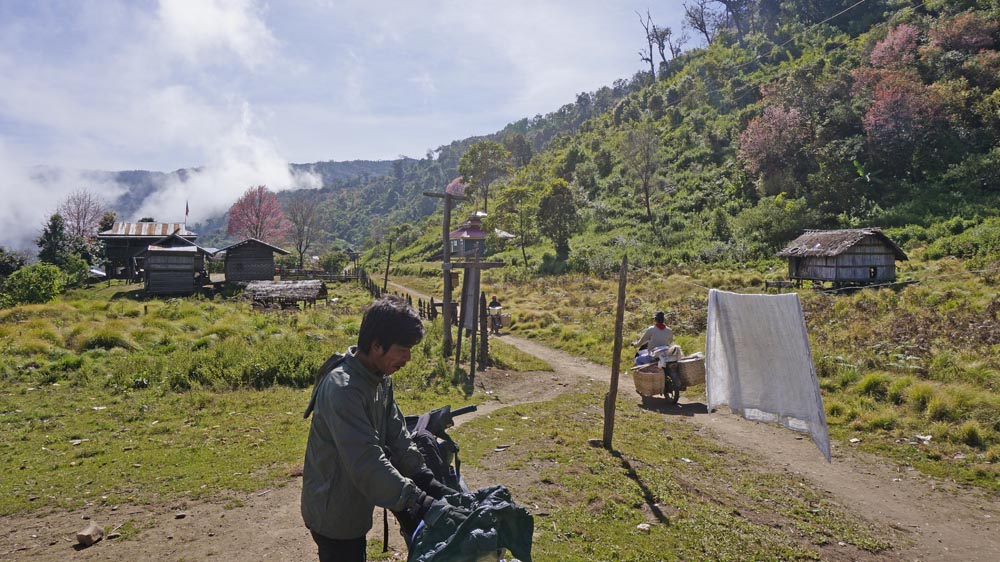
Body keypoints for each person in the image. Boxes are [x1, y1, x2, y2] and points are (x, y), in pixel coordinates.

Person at [301, 295, 468, 562]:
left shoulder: (379, 379)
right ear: (377, 345)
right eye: (403, 349)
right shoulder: (344, 390)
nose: (408, 358)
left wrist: (427, 480)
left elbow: (397, 434)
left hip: (354, 502)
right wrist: (419, 502)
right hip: (333, 512)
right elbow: (366, 462)